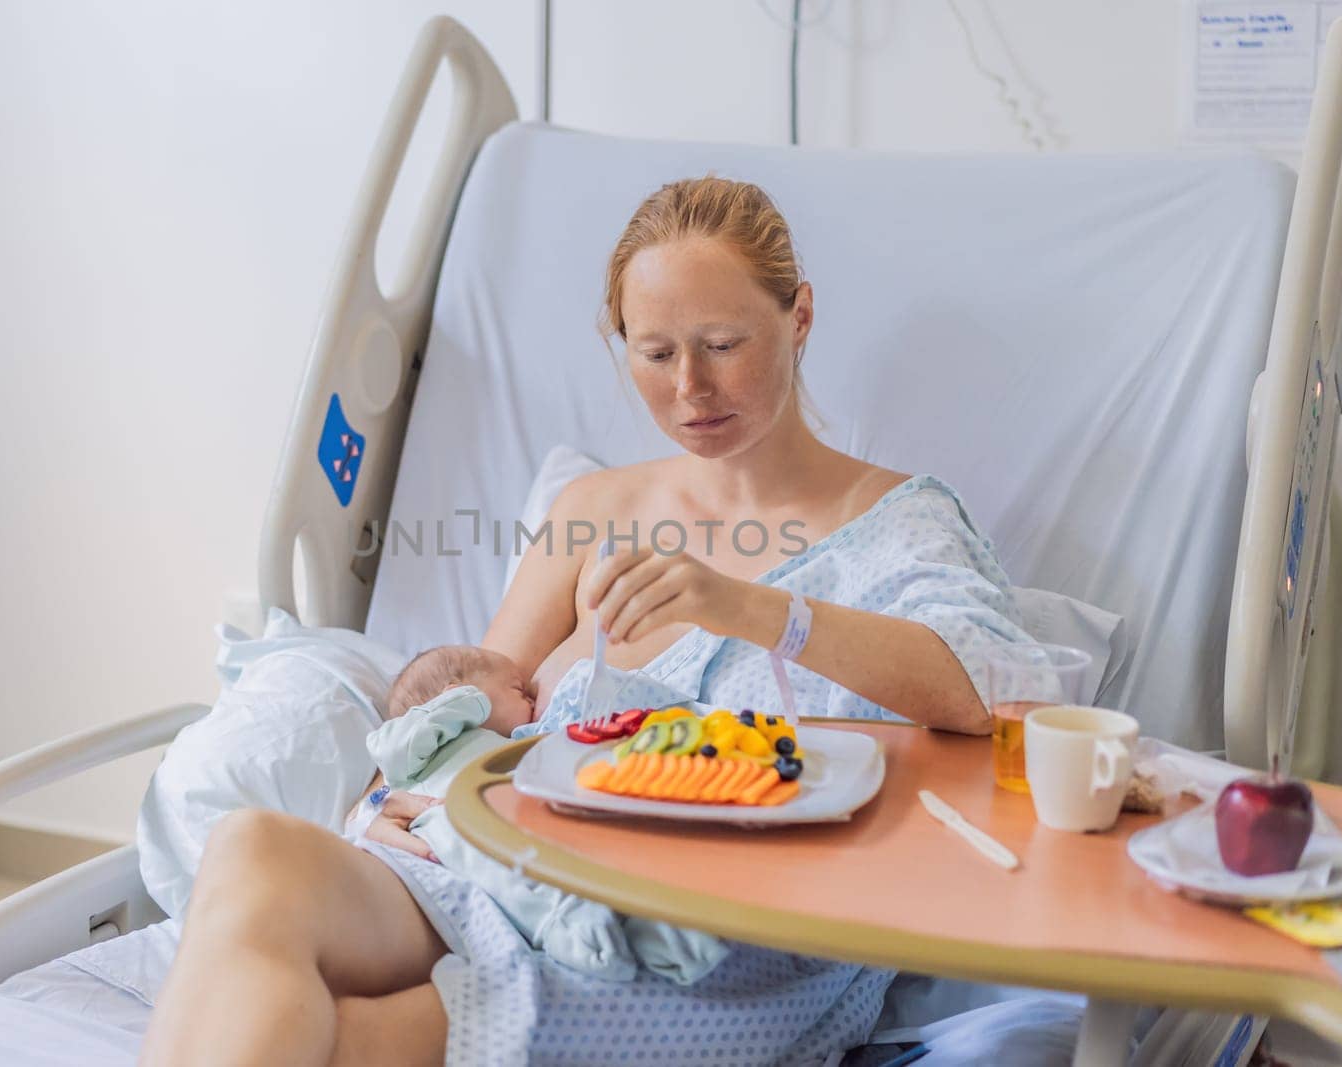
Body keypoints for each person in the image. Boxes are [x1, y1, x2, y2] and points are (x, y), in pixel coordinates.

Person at [139, 177, 1036, 1066]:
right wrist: (394, 796)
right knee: (254, 850)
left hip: (712, 943)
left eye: (723, 344)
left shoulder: (898, 521)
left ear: (798, 318)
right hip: (508, 868)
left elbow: (993, 690)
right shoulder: (592, 510)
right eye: (654, 353)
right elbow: (477, 701)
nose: (691, 387)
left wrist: (746, 607)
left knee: (357, 1040)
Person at [354, 645, 728, 985]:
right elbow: (388, 752)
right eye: (519, 691)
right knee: (512, 877)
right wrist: (465, 703)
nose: (533, 702)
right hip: (448, 825)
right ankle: (579, 928)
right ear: (456, 692)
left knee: (569, 860)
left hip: (510, 822)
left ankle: (669, 937)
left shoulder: (506, 745)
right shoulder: (424, 745)